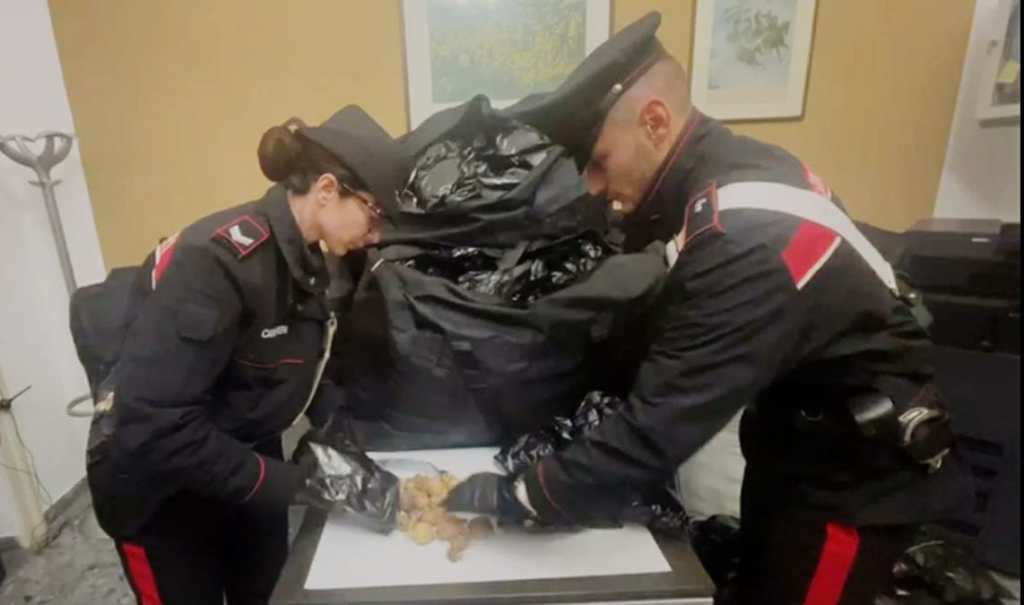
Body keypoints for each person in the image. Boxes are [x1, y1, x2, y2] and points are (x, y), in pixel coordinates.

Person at [446, 12, 972, 604]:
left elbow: (660, 425)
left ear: (655, 122)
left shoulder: (746, 238)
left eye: (599, 160)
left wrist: (528, 495)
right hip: (794, 442)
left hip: (851, 483)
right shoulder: (734, 168)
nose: (593, 186)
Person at [83, 106, 404, 605]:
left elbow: (303, 363)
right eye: (374, 213)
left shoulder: (313, 258)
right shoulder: (217, 264)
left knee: (271, 592)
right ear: (326, 190)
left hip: (240, 455)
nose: (377, 234)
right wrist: (297, 484)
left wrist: (344, 446)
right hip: (161, 491)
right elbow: (154, 425)